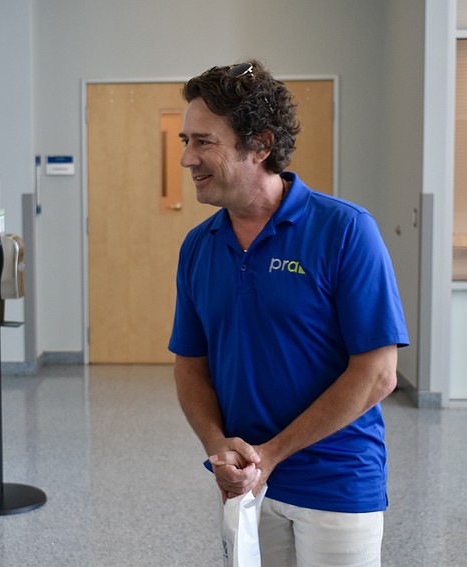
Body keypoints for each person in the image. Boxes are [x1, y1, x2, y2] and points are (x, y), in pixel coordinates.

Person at [169, 59, 409, 566]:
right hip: (245, 487)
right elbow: (190, 365)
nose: (187, 158)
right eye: (185, 141)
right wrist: (219, 450)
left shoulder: (344, 231)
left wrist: (272, 454)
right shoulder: (198, 247)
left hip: (337, 483)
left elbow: (378, 373)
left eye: (203, 141)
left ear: (260, 144)